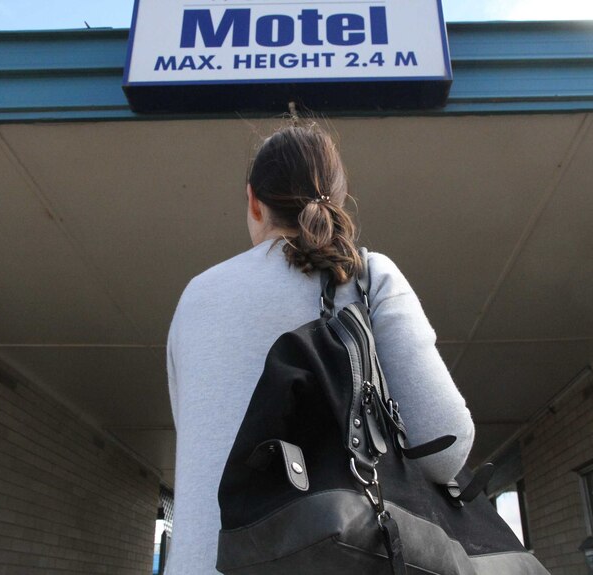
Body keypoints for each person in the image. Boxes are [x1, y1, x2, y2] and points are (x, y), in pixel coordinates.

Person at [165, 122, 474, 574]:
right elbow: (444, 448)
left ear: (254, 201)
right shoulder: (370, 276)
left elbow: (197, 431)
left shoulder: (196, 295)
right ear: (338, 197)